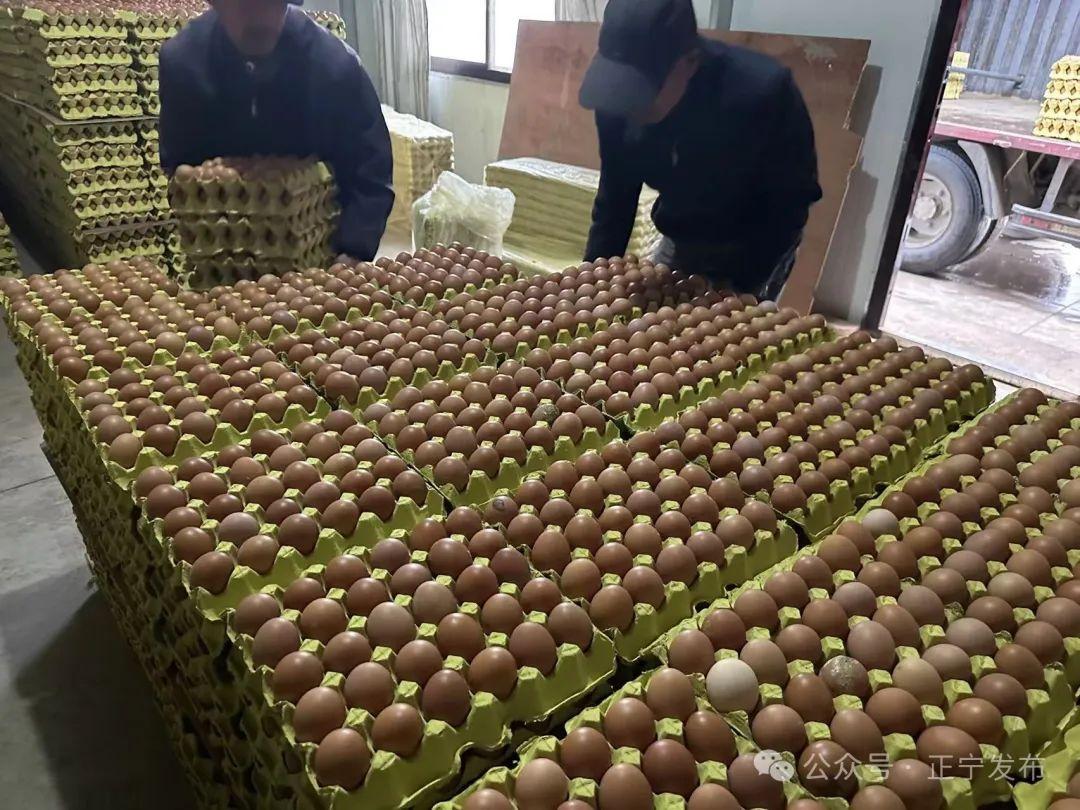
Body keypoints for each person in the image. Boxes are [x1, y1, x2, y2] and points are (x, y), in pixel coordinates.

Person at [580, 0, 822, 299]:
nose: (628, 107)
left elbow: (790, 203)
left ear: (689, 62)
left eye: (641, 94)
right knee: (657, 311)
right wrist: (592, 282)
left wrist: (739, 290)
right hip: (681, 231)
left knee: (729, 321)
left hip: (755, 239)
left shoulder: (761, 95)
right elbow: (616, 197)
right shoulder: (616, 100)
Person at [159, 0, 393, 262]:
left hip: (316, 258)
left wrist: (353, 250)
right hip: (223, 258)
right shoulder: (185, 65)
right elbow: (180, 167)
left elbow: (370, 170)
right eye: (244, 5)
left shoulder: (333, 67)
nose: (258, 17)